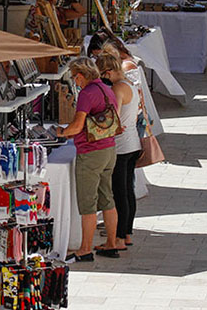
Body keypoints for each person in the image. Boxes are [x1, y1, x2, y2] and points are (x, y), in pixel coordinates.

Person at [56, 57, 120, 261]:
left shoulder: (86, 93)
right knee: (107, 198)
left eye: (75, 77)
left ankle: (85, 248)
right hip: (109, 149)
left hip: (91, 152)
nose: (74, 81)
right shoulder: (107, 89)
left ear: (81, 75)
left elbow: (77, 125)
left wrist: (61, 132)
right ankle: (111, 244)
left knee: (88, 203)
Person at [96, 53, 142, 249]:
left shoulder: (117, 88)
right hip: (133, 144)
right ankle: (127, 233)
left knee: (119, 192)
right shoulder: (131, 84)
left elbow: (111, 118)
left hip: (121, 146)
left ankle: (119, 238)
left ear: (108, 72)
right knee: (128, 191)